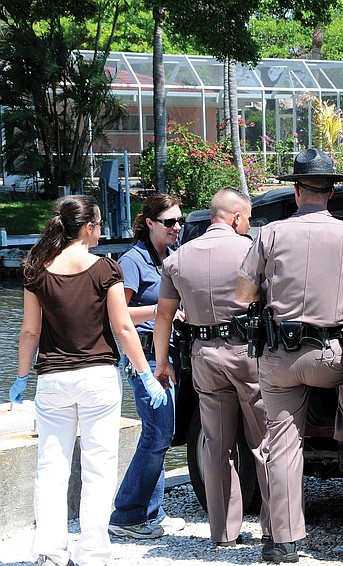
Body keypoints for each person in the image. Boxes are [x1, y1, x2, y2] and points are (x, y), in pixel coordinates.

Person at [235, 148, 343, 563]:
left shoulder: (270, 234)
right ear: (330, 193)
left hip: (278, 358)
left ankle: (284, 543)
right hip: (330, 356)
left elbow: (243, 294)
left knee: (282, 446)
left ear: (297, 191)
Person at [10, 195, 164, 566]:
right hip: (97, 378)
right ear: (88, 228)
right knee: (99, 465)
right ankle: (92, 550)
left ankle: (49, 549)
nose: (100, 230)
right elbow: (123, 326)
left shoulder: (37, 269)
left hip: (52, 380)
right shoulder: (105, 269)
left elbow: (29, 332)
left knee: (51, 465)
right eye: (97, 224)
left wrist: (19, 377)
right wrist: (146, 374)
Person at [153, 188, 270, 548]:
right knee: (265, 442)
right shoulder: (250, 249)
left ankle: (222, 533)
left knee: (217, 446)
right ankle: (275, 528)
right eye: (247, 218)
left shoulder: (179, 258)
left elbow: (163, 315)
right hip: (247, 352)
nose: (247, 224)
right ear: (236, 217)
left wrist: (161, 363)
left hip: (203, 354)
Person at [108, 194, 186, 539]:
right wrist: (160, 311)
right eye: (170, 222)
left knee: (160, 436)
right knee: (157, 434)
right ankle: (127, 514)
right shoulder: (133, 260)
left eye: (179, 221)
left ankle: (150, 512)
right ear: (150, 222)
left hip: (169, 355)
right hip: (145, 358)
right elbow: (116, 316)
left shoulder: (170, 257)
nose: (177, 227)